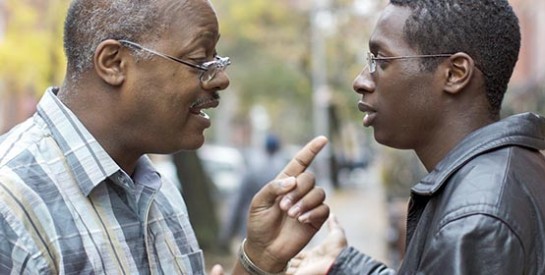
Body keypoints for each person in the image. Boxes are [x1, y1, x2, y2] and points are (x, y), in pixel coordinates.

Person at [0, 0, 330, 274]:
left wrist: (259, 260)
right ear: (114, 63)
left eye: (217, 60)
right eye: (200, 60)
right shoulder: (11, 206)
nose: (221, 80)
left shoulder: (158, 192)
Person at [288, 0, 545, 274]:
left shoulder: (476, 218)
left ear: (455, 73)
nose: (360, 81)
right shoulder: (506, 175)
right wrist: (341, 267)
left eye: (381, 60)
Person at [219, 133, 289, 250]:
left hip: (250, 225)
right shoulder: (285, 170)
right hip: (278, 226)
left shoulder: (253, 169)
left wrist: (227, 232)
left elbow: (239, 200)